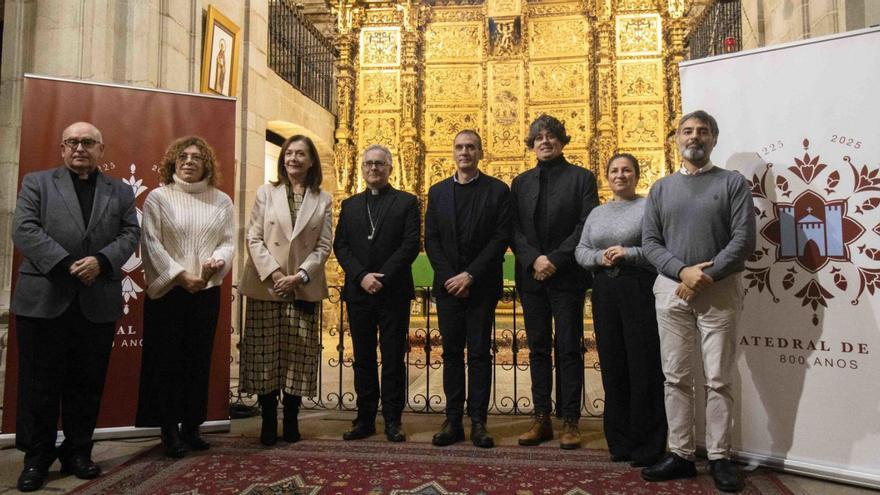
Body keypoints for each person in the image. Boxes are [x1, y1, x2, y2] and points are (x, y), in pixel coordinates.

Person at [10, 122, 140, 492]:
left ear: (101, 150)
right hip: (45, 298)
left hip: (96, 301)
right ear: (62, 148)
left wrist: (101, 260)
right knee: (39, 385)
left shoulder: (120, 190)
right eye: (72, 142)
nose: (80, 148)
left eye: (88, 142)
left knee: (87, 383)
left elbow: (131, 232)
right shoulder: (37, 183)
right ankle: (37, 457)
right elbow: (24, 228)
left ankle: (78, 451)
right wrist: (68, 263)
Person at [640, 110, 755, 493]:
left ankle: (720, 456)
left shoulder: (732, 183)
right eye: (687, 131)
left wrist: (702, 278)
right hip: (670, 291)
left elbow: (743, 241)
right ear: (676, 139)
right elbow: (650, 242)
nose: (695, 137)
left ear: (713, 139)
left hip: (718, 291)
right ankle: (681, 454)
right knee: (675, 377)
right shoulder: (661, 188)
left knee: (718, 378)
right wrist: (682, 272)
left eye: (703, 131)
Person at [136, 136, 235, 458]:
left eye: (196, 157)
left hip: (205, 291)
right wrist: (181, 275)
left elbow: (228, 241)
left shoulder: (221, 201)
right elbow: (151, 242)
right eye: (183, 157)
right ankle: (168, 430)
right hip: (169, 292)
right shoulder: (158, 198)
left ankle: (192, 427)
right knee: (167, 363)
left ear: (207, 164)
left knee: (197, 361)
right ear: (173, 163)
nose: (189, 161)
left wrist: (215, 264)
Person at [510, 114, 599, 449]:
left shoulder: (581, 178)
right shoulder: (521, 182)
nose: (544, 141)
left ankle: (571, 420)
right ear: (531, 144)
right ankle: (541, 418)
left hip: (567, 277)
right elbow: (513, 228)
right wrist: (534, 259)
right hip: (532, 277)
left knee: (569, 347)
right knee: (537, 349)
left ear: (562, 141)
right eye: (538, 137)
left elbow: (585, 225)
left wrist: (555, 260)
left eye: (550, 136)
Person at [238, 135, 333, 446]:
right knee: (264, 353)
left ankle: (291, 418)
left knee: (298, 354)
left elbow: (324, 244)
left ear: (311, 161)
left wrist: (300, 276)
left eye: (300, 154)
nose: (293, 158)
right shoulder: (266, 193)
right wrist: (276, 274)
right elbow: (253, 237)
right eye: (289, 153)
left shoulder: (322, 199)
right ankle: (268, 418)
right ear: (283, 159)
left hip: (301, 286)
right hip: (268, 284)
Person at [574, 153, 666, 466]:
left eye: (626, 170)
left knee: (644, 365)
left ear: (637, 175)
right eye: (614, 170)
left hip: (638, 287)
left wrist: (630, 253)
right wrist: (598, 258)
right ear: (607, 176)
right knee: (613, 363)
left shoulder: (648, 208)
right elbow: (581, 250)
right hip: (605, 290)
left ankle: (648, 444)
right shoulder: (597, 213)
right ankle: (620, 441)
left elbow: (659, 248)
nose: (620, 175)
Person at [425, 130, 510, 448]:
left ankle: (478, 421)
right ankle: (452, 420)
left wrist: (470, 275)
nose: (465, 152)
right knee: (450, 353)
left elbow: (500, 238)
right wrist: (451, 277)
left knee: (478, 354)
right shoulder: (438, 192)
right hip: (449, 287)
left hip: (481, 286)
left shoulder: (497, 190)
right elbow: (431, 239)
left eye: (471, 147)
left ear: (480, 152)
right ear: (453, 152)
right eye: (460, 147)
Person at [333, 144, 420, 443]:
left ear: (390, 168)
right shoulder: (350, 205)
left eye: (380, 164)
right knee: (363, 357)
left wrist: (382, 277)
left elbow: (410, 244)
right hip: (359, 293)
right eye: (369, 163)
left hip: (393, 291)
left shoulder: (406, 202)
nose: (373, 168)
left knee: (393, 357)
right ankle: (365, 418)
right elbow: (341, 245)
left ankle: (393, 420)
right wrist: (361, 276)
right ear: (362, 168)